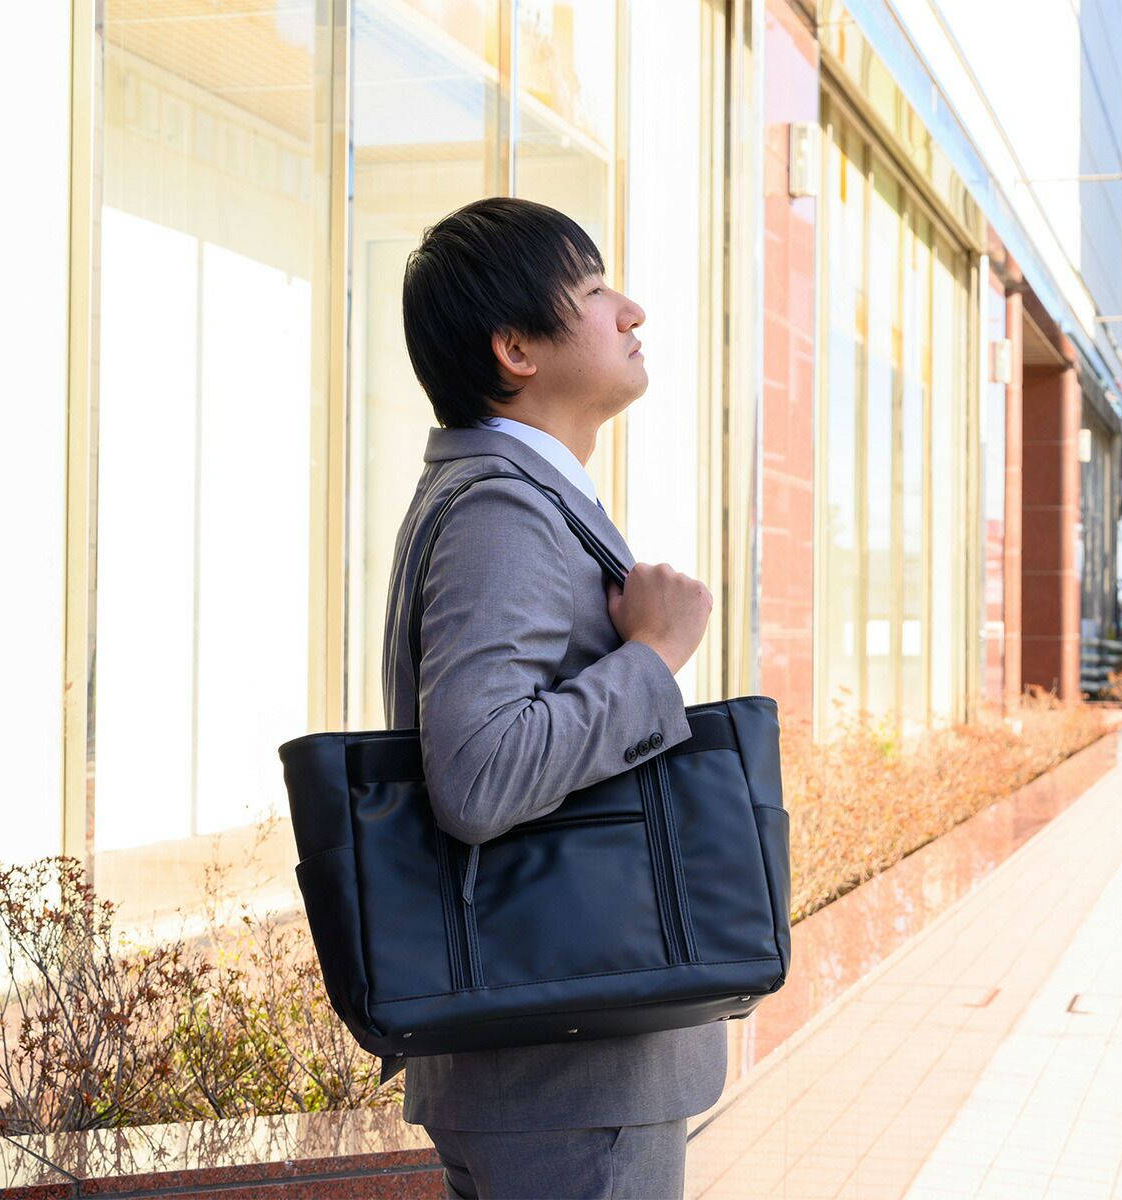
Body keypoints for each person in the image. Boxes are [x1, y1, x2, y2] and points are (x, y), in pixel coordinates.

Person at [381, 196, 725, 1199]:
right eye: (594, 290)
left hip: (547, 1058)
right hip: (568, 1076)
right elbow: (479, 774)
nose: (632, 309)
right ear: (517, 349)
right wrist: (655, 655)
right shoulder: (504, 507)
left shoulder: (513, 495)